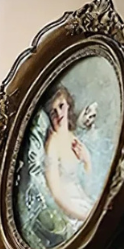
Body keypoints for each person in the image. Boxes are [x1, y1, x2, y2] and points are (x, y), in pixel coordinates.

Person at [42, 85, 94, 222]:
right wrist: (84, 217)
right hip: (69, 214)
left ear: (68, 105)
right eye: (53, 112)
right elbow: (56, 194)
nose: (59, 114)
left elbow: (84, 183)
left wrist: (87, 159)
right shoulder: (52, 145)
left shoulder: (72, 137)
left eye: (61, 106)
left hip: (83, 202)